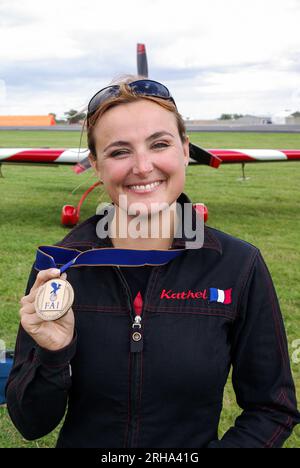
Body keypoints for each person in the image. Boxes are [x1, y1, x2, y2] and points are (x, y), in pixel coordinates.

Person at [6, 76, 300, 448]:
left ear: (184, 150)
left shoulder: (240, 265)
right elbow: (31, 424)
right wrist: (52, 354)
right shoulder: (60, 267)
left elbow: (273, 408)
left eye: (159, 144)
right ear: (95, 165)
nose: (143, 167)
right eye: (119, 151)